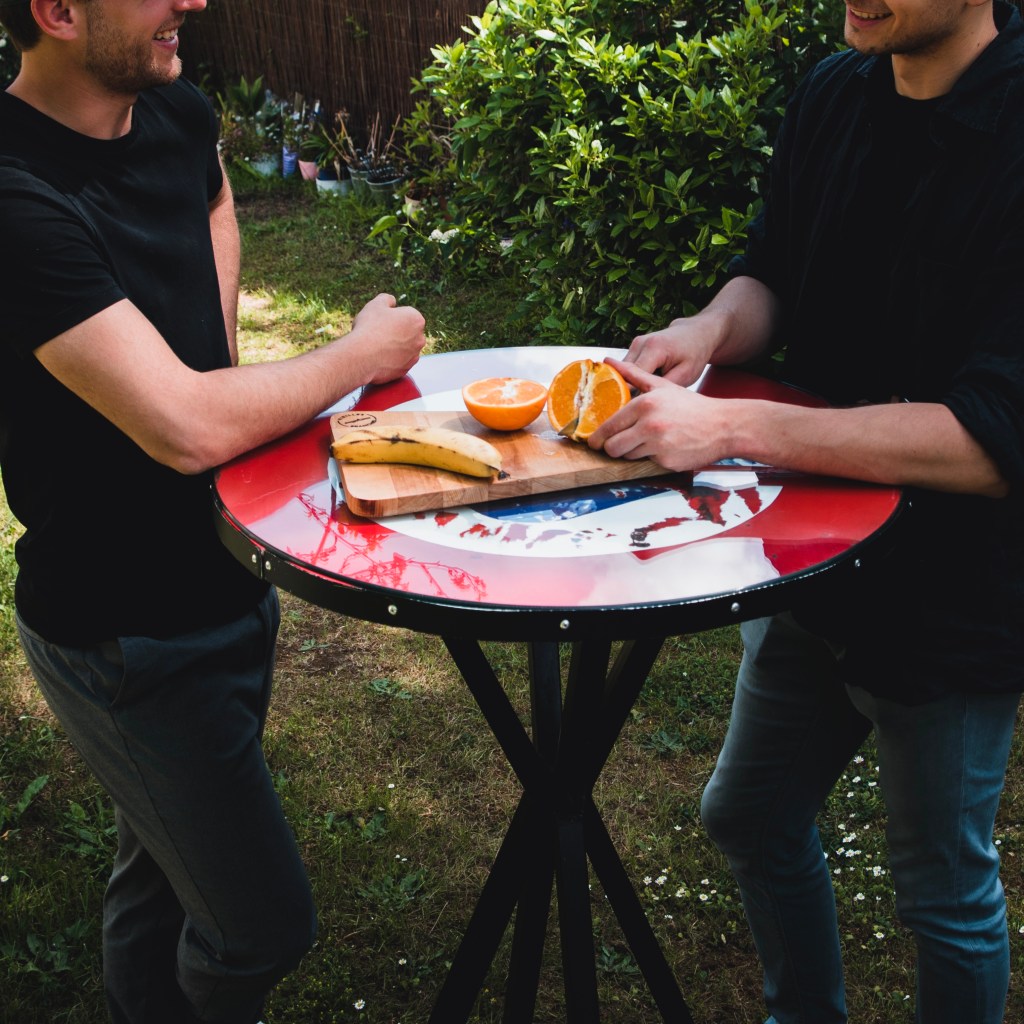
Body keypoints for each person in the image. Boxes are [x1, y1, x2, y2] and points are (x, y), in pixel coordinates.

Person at [590, 1, 1024, 1022]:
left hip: (954, 599)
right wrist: (704, 331)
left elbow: (993, 442)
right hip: (813, 561)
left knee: (941, 895)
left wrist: (735, 433)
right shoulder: (835, 89)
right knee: (748, 815)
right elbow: (772, 270)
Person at [0, 1, 426, 1022]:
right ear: (59, 12)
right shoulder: (15, 194)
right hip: (124, 633)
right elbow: (185, 430)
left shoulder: (179, 112)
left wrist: (213, 354)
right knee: (259, 925)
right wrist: (362, 352)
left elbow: (212, 197)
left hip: (228, 579)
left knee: (160, 865)